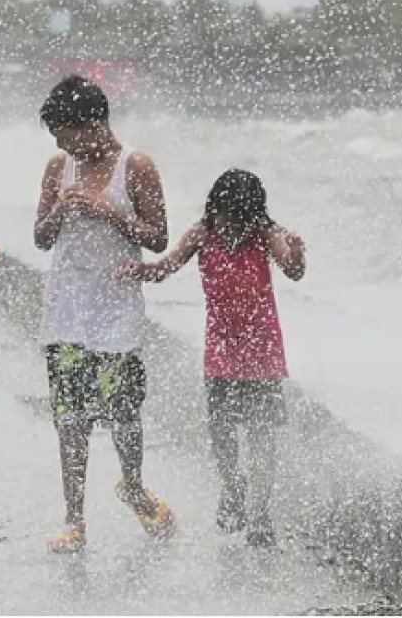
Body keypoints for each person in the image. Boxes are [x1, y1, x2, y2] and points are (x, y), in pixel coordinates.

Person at [120, 168, 306, 548]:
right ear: (215, 208)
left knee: (260, 432)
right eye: (225, 216)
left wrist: (298, 252)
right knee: (221, 429)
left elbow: (294, 270)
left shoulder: (264, 233)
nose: (230, 226)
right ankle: (233, 488)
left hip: (261, 348)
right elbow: (165, 268)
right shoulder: (202, 233)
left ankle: (260, 513)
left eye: (239, 219)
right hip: (221, 347)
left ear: (253, 215)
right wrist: (140, 270)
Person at [33, 75, 176, 554]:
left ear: (92, 123)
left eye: (64, 133)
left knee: (123, 414)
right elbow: (41, 237)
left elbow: (157, 237)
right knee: (70, 418)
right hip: (66, 311)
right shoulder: (59, 167)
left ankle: (133, 486)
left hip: (117, 311)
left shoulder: (135, 166)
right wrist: (58, 212)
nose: (60, 144)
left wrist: (104, 209)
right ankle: (74, 520)